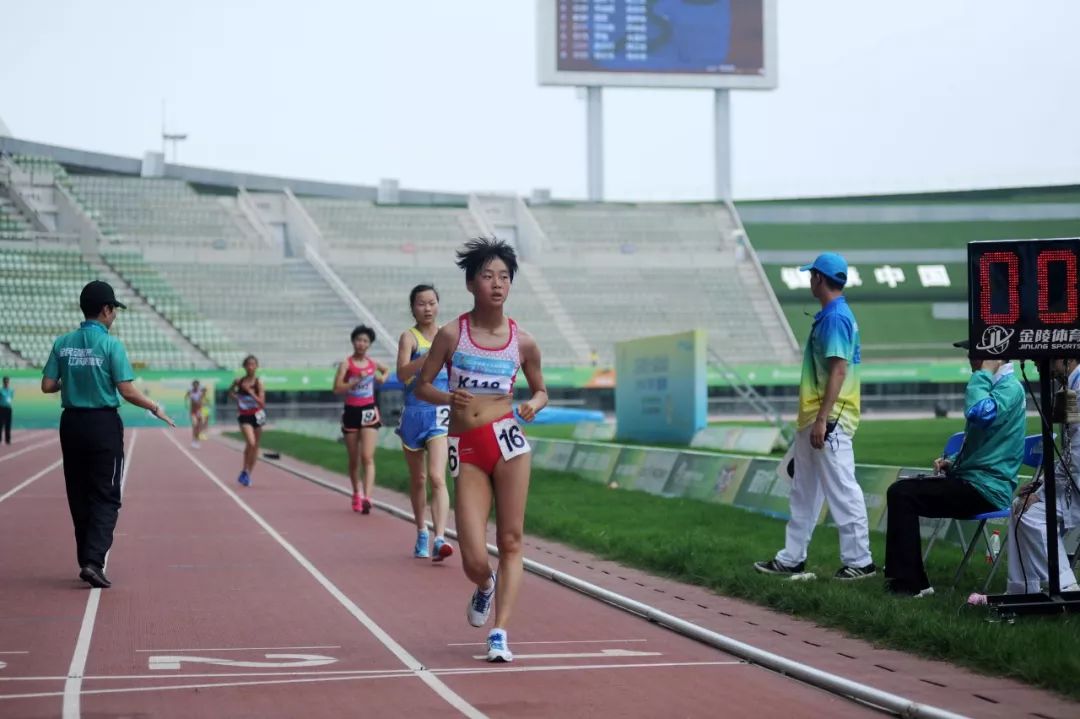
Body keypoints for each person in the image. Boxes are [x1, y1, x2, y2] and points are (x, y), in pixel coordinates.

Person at [415, 237, 548, 663]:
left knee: (511, 539)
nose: (497, 284)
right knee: (473, 553)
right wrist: (445, 399)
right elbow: (423, 384)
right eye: (488, 276)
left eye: (504, 277)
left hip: (508, 442)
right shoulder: (453, 334)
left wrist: (533, 404)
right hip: (467, 447)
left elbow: (542, 389)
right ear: (471, 283)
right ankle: (484, 585)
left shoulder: (522, 341)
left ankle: (500, 634)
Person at [41, 281, 175, 588]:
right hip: (102, 424)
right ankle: (93, 561)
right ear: (105, 309)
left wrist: (72, 380)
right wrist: (155, 407)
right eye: (113, 309)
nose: (114, 315)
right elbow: (126, 390)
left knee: (79, 492)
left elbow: (48, 386)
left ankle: (85, 558)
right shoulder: (112, 345)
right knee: (106, 494)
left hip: (71, 424)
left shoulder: (62, 343)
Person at [755, 252, 875, 581]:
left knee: (841, 490)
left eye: (812, 276)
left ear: (819, 279)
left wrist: (823, 419)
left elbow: (838, 370)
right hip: (816, 418)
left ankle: (860, 561)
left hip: (830, 420)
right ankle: (791, 558)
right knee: (803, 492)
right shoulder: (832, 315)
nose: (810, 281)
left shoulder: (836, 317)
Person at [884, 341, 1026, 597]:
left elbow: (979, 414)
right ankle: (909, 580)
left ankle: (909, 583)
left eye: (975, 354)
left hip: (986, 489)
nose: (970, 360)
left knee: (902, 494)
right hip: (975, 481)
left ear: (993, 357)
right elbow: (982, 443)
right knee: (901, 492)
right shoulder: (996, 386)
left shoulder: (1008, 388)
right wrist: (952, 461)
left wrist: (982, 374)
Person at [1004, 357, 1080, 595]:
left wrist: (1044, 490)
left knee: (1031, 513)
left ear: (1064, 358)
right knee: (1020, 505)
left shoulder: (1076, 389)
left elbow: (1077, 453)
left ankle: (1065, 587)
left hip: (1077, 484)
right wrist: (1042, 484)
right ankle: (1025, 588)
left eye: (1040, 360)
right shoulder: (1070, 386)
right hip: (1074, 479)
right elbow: (1070, 452)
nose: (1036, 365)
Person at [396, 284, 454, 560]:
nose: (428, 308)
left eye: (432, 303)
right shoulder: (409, 338)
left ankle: (440, 537)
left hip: (439, 414)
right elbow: (401, 373)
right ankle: (421, 530)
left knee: (437, 477)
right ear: (413, 308)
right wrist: (427, 360)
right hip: (413, 413)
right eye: (421, 303)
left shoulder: (448, 335)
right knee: (418, 479)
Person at [333, 326, 389, 513]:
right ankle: (356, 493)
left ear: (369, 344)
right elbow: (337, 388)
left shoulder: (373, 363)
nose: (361, 344)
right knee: (354, 459)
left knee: (367, 456)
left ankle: (367, 497)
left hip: (369, 411)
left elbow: (386, 370)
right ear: (353, 342)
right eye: (359, 340)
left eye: (365, 341)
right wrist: (355, 380)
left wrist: (382, 379)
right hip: (351, 411)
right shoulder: (346, 364)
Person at [230, 355, 265, 487]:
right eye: (248, 364)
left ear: (256, 367)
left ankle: (247, 473)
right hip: (244, 416)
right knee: (251, 442)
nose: (250, 367)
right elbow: (230, 393)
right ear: (244, 366)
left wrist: (250, 393)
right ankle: (244, 469)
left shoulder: (258, 383)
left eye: (253, 364)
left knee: (255, 446)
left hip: (258, 415)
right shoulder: (239, 381)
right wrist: (238, 398)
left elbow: (262, 402)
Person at [185, 379, 208, 448]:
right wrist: (186, 405)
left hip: (199, 411)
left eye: (197, 385)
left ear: (198, 385)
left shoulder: (200, 392)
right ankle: (194, 440)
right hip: (193, 412)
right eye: (194, 385)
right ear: (192, 385)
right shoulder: (190, 392)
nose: (195, 386)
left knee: (199, 427)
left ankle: (197, 440)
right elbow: (186, 397)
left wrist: (202, 403)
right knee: (194, 426)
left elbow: (204, 393)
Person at [0, 376, 12, 445]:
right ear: (3, 382)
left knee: (8, 424)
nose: (6, 383)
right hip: (1, 408)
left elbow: (11, 398)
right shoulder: (1, 390)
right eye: (5, 381)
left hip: (8, 409)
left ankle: (8, 440)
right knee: (0, 424)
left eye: (7, 381)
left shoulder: (11, 390)